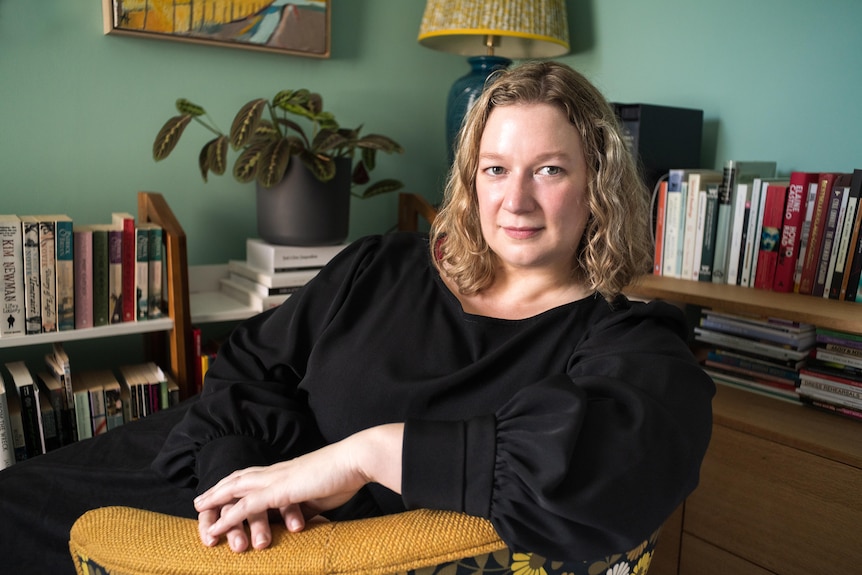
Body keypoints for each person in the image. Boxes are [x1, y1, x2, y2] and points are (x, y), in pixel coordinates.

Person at [0, 60, 713, 573]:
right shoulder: (385, 265)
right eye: (495, 169)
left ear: (597, 185)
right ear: (471, 182)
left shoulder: (624, 338)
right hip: (215, 480)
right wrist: (240, 472)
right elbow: (250, 368)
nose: (515, 200)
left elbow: (611, 464)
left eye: (549, 170)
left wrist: (364, 454)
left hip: (315, 550)